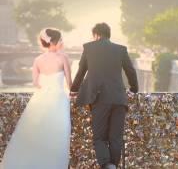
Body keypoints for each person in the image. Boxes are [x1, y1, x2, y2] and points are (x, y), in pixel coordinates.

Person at [70, 23, 138, 169]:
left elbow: (81, 71)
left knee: (99, 137)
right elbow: (131, 71)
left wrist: (74, 89)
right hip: (119, 98)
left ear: (96, 35)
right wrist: (134, 89)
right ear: (109, 34)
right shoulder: (121, 49)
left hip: (99, 98)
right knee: (116, 137)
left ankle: (107, 164)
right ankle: (113, 165)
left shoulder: (89, 48)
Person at [2, 28, 72, 169]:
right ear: (54, 42)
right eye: (60, 39)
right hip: (58, 99)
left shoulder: (38, 60)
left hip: (39, 100)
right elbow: (70, 84)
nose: (62, 42)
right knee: (56, 135)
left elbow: (35, 83)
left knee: (35, 133)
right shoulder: (63, 58)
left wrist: (46, 87)